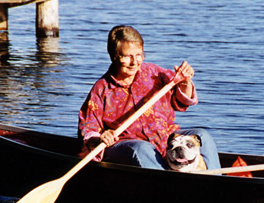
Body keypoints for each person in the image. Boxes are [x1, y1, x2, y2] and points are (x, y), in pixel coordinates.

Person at [78, 25, 220, 170]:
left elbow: (182, 101)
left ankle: (215, 180)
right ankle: (166, 185)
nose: (135, 62)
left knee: (202, 135)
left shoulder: (155, 73)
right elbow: (88, 128)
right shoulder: (102, 89)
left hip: (165, 138)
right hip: (126, 146)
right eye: (127, 56)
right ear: (114, 56)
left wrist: (185, 82)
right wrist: (101, 137)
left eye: (139, 55)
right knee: (142, 148)